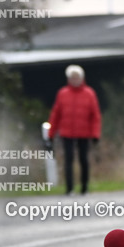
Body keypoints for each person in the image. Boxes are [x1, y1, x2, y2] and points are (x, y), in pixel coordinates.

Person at [48, 65, 101, 195]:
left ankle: (84, 187)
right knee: (68, 159)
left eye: (77, 78)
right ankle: (69, 188)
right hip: (67, 133)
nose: (75, 80)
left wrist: (95, 134)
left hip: (84, 133)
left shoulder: (89, 93)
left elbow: (95, 116)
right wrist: (51, 133)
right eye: (72, 78)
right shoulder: (63, 93)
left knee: (83, 160)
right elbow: (56, 114)